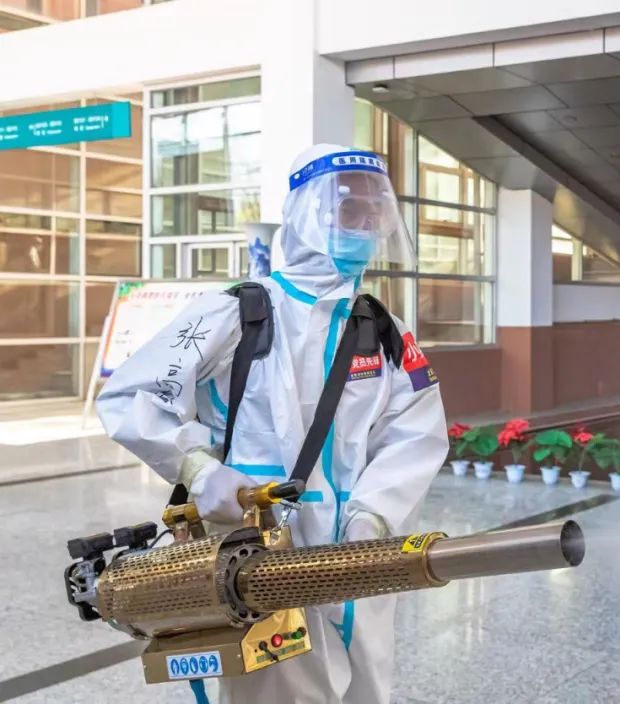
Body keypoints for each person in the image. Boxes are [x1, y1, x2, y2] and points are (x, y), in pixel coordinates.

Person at [97, 144, 449, 704]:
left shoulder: (382, 331)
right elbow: (131, 395)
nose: (362, 227)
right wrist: (200, 469)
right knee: (275, 693)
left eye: (371, 213)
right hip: (258, 554)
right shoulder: (236, 312)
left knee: (367, 687)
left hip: (359, 556)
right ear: (307, 213)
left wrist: (375, 514)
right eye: (347, 210)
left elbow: (417, 431)